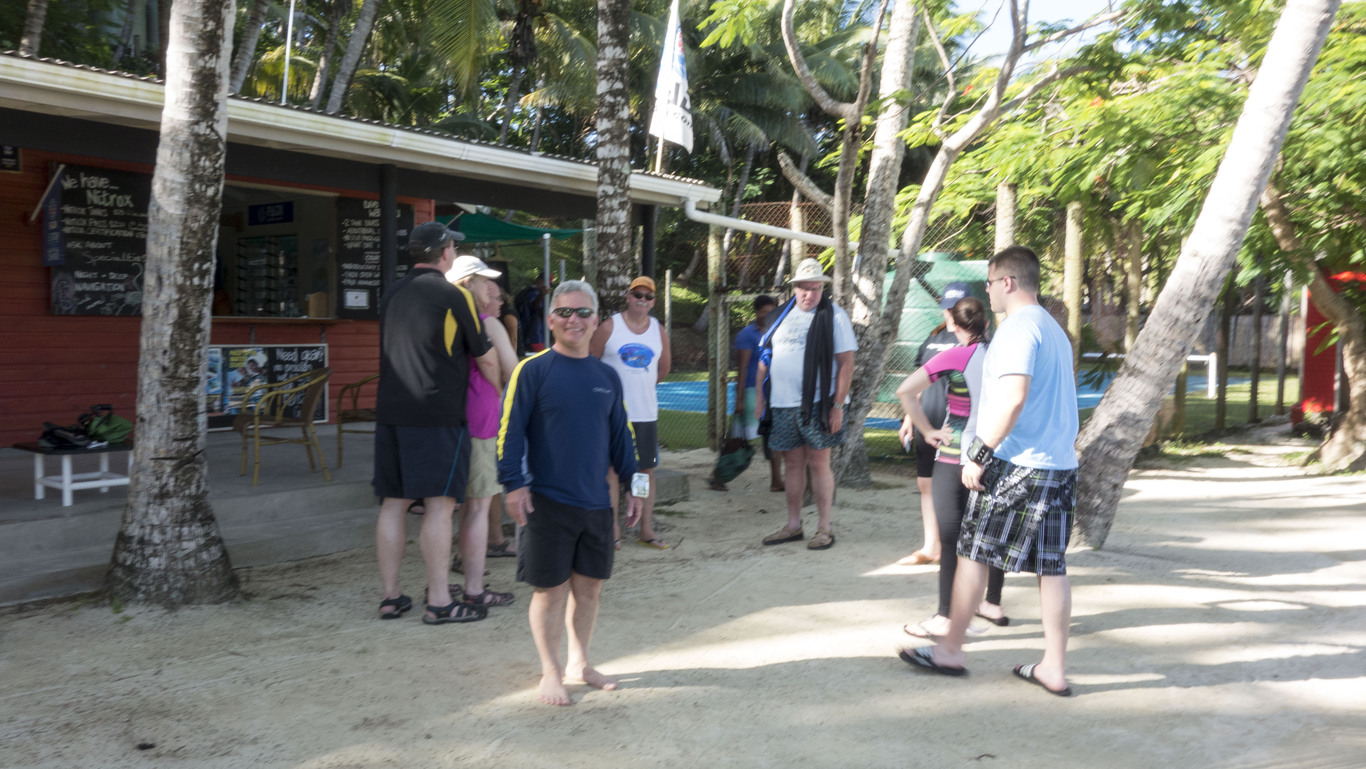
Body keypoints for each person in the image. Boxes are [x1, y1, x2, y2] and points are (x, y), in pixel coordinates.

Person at [900, 246, 1080, 698]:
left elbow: (1014, 397)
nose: (988, 291)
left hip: (1018, 465)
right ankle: (1054, 668)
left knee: (973, 554)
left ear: (1008, 282)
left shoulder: (1017, 328)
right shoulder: (1053, 329)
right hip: (1058, 466)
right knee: (1052, 568)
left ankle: (949, 651)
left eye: (991, 282)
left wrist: (980, 452)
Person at [497, 280, 644, 706]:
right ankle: (551, 670)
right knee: (551, 591)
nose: (573, 320)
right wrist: (513, 484)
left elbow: (623, 438)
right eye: (564, 312)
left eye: (583, 312)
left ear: (596, 321)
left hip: (596, 504)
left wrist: (635, 487)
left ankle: (581, 663)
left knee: (590, 589)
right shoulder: (533, 370)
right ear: (550, 319)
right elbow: (510, 432)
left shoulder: (606, 376)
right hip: (546, 502)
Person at [373, 221, 499, 625]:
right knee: (440, 506)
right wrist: (501, 392)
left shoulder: (390, 293)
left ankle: (391, 597)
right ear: (445, 253)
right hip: (437, 415)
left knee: (393, 504)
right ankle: (440, 602)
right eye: (453, 248)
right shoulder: (453, 295)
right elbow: (483, 355)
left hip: (390, 412)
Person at [895, 296, 1008, 639]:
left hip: (954, 456)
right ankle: (984, 606)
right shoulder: (1003, 355)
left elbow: (905, 391)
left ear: (954, 326)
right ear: (985, 323)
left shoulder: (954, 355)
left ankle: (946, 616)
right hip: (993, 456)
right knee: (983, 540)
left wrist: (928, 430)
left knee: (951, 540)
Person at [754, 258, 858, 551]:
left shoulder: (834, 316)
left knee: (819, 463)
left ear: (822, 289)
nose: (809, 294)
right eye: (804, 288)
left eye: (815, 288)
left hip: (819, 402)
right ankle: (793, 525)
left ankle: (824, 527)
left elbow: (847, 363)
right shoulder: (778, 316)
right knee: (793, 463)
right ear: (795, 287)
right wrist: (760, 397)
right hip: (783, 402)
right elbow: (765, 358)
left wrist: (837, 406)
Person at [446, 254, 519, 608]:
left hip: (449, 418)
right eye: (486, 283)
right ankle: (474, 588)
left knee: (455, 504)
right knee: (478, 506)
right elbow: (512, 370)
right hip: (482, 418)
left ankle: (456, 571)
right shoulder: (487, 324)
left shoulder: (445, 319)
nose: (493, 291)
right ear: (469, 286)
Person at [590, 276, 671, 550]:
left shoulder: (658, 330)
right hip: (613, 416)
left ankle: (644, 529)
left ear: (654, 301)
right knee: (611, 471)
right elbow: (590, 362)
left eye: (648, 296)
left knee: (643, 472)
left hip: (645, 414)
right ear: (628, 297)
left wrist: (640, 387)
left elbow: (663, 369)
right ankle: (612, 531)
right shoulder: (609, 326)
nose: (642, 300)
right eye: (637, 294)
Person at [898, 282, 969, 566]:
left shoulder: (973, 339)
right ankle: (931, 547)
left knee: (958, 485)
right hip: (927, 419)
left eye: (956, 308)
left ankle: (960, 549)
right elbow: (918, 381)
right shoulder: (934, 336)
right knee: (925, 482)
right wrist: (909, 418)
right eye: (947, 308)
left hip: (955, 424)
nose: (950, 314)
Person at [711, 294, 783, 492]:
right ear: (756, 312)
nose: (767, 316)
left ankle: (776, 480)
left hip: (772, 391)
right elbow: (742, 369)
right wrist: (740, 399)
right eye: (763, 312)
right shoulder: (747, 335)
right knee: (741, 437)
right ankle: (718, 476)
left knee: (774, 435)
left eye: (771, 312)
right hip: (752, 391)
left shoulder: (777, 333)